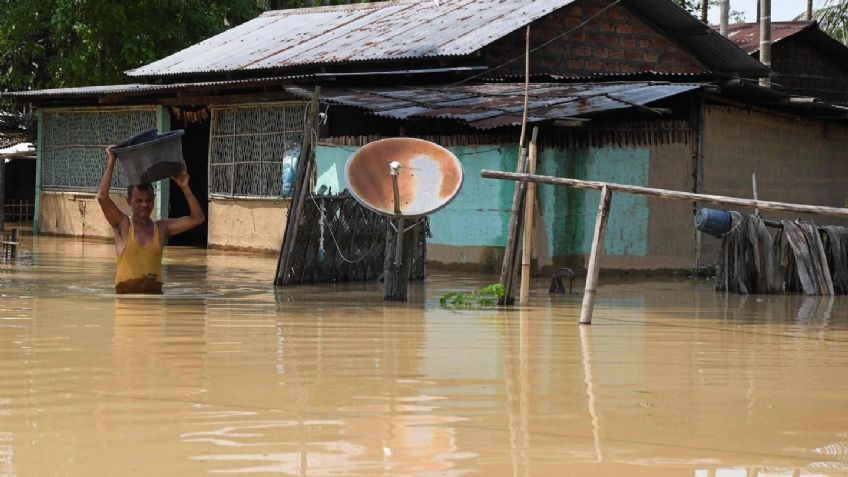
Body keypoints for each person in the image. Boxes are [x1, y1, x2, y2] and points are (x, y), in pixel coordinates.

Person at [97, 146, 205, 294]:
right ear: (129, 201)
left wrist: (185, 188)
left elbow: (197, 218)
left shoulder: (161, 229)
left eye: (148, 200)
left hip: (153, 301)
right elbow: (102, 197)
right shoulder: (122, 225)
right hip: (126, 304)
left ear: (154, 200)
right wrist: (111, 162)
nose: (144, 205)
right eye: (139, 201)